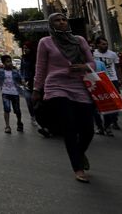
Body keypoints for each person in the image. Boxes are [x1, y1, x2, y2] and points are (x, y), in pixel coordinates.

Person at [32, 13, 95, 183]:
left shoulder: (79, 40)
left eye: (63, 19)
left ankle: (80, 153)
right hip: (56, 87)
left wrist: (84, 66)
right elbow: (41, 68)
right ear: (51, 25)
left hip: (80, 86)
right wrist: (37, 89)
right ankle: (78, 168)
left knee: (88, 129)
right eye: (57, 21)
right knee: (70, 127)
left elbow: (92, 63)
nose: (61, 22)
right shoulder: (45, 42)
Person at [92, 36, 122, 131]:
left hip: (112, 79)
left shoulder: (112, 54)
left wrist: (120, 78)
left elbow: (117, 67)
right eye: (103, 44)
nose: (105, 46)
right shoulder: (93, 54)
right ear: (98, 45)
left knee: (114, 102)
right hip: (98, 79)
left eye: (106, 44)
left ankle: (113, 121)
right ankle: (102, 125)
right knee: (99, 103)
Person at [0, 54, 25, 134]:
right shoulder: (0, 72)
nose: (10, 63)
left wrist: (23, 82)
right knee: (6, 109)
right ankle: (7, 126)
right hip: (5, 93)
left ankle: (19, 122)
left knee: (17, 110)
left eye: (10, 61)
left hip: (15, 93)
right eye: (8, 62)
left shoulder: (15, 71)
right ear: (4, 63)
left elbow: (21, 79)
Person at [21, 40, 38, 126]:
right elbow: (22, 70)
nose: (25, 50)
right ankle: (33, 116)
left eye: (26, 48)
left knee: (36, 101)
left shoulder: (36, 57)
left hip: (35, 82)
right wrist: (22, 79)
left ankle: (38, 116)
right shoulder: (23, 58)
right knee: (28, 99)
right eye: (24, 48)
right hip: (27, 82)